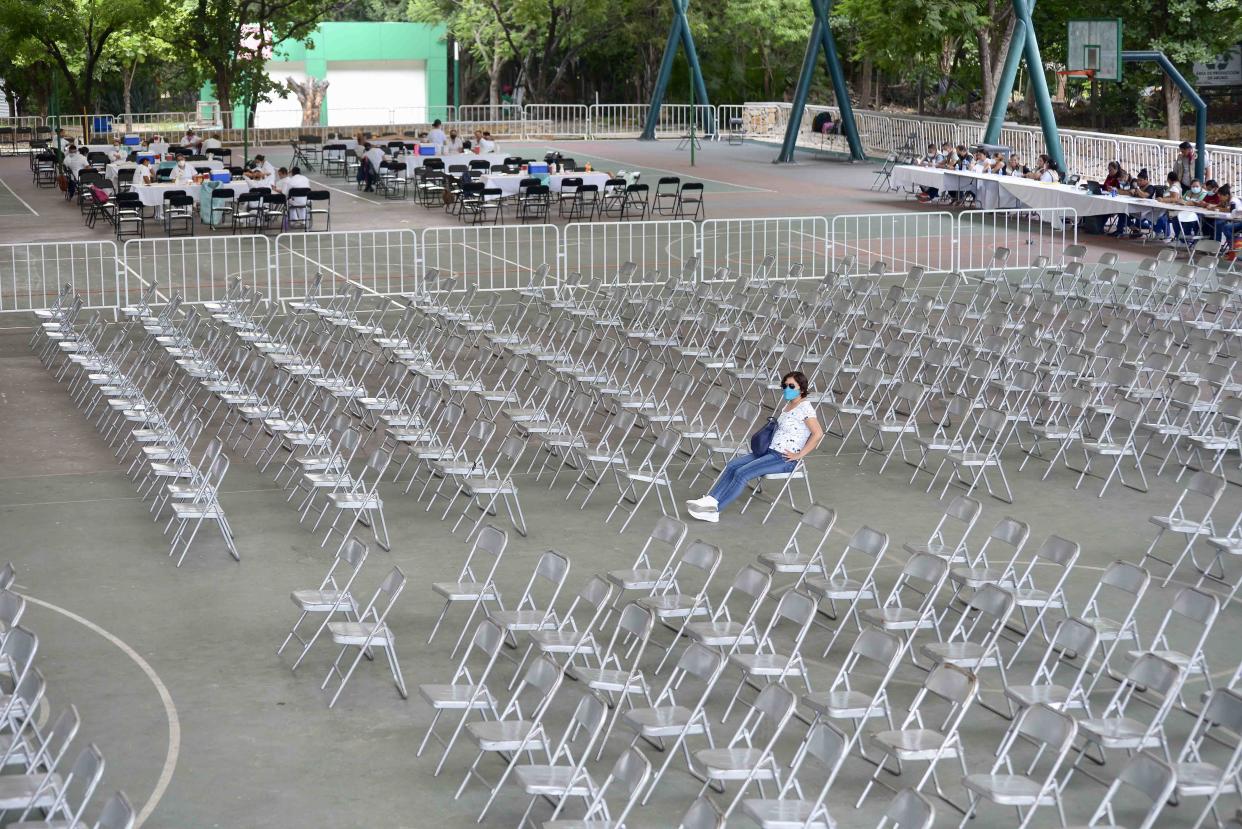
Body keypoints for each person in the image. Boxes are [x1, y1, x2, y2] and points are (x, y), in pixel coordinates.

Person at [685, 371, 823, 523]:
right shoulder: (789, 405)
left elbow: (817, 433)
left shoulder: (805, 408)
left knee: (742, 473)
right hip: (769, 451)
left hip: (783, 458)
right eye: (784, 385)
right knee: (732, 465)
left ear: (802, 389)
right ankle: (712, 499)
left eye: (791, 386)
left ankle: (715, 511)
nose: (787, 388)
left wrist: (799, 455)